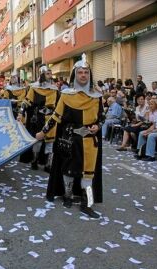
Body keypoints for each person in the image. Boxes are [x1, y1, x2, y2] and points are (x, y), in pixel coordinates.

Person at [36, 54, 103, 218]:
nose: (83, 75)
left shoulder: (97, 97)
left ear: (90, 75)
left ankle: (87, 204)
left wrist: (98, 125)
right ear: (75, 75)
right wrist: (42, 132)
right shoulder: (66, 95)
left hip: (89, 140)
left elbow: (102, 116)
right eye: (80, 72)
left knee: (89, 172)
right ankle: (67, 196)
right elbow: (55, 116)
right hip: (69, 139)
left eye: (86, 72)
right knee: (68, 170)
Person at [18, 65, 59, 172]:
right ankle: (34, 161)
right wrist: (21, 113)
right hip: (39, 118)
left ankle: (48, 164)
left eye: (51, 73)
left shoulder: (54, 89)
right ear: (42, 74)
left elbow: (59, 106)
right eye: (47, 73)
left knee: (50, 142)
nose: (50, 75)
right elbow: (26, 102)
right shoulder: (34, 88)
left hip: (51, 118)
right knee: (38, 141)